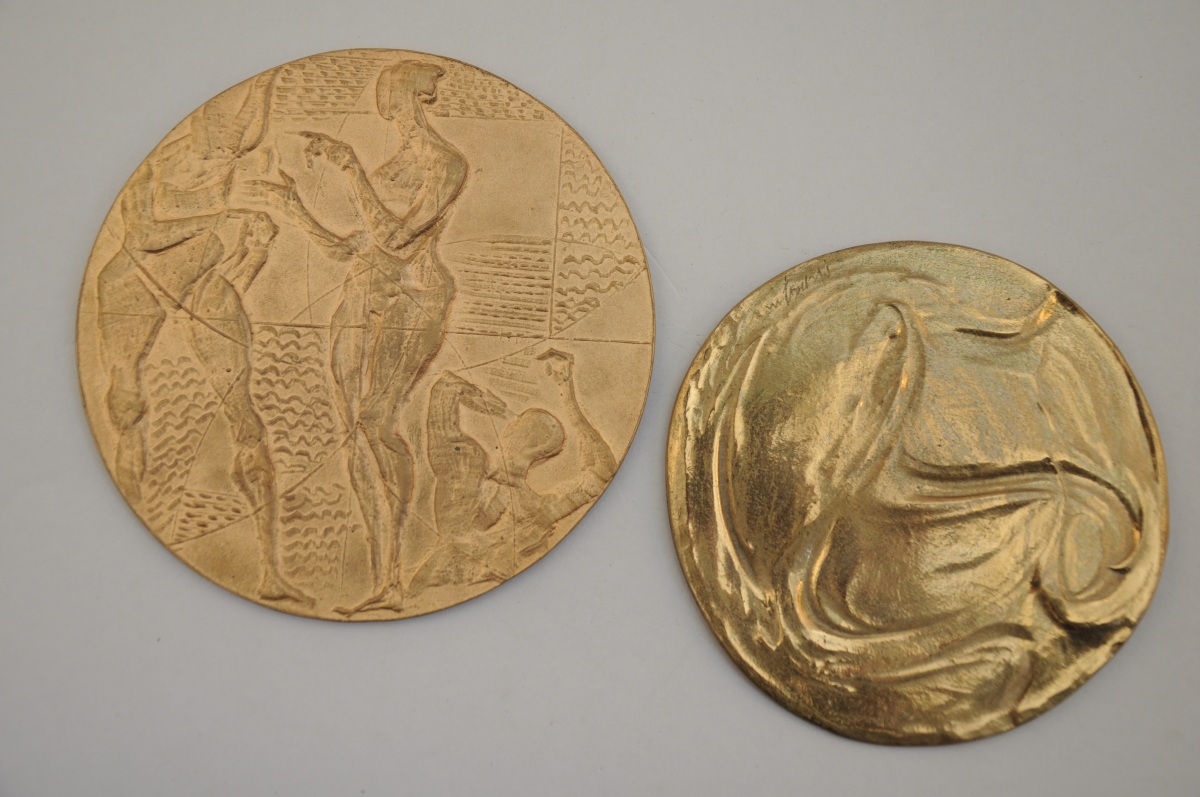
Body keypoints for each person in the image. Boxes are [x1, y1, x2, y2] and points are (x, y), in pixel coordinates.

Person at [251, 60, 467, 614]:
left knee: (376, 421)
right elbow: (349, 248)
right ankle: (380, 576)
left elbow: (397, 241)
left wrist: (351, 171)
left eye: (390, 93)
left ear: (405, 97)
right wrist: (294, 209)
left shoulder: (447, 163)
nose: (386, 105)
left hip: (414, 298)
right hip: (360, 295)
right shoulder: (394, 164)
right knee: (353, 432)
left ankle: (394, 577)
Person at [95, 69, 309, 605]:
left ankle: (270, 571)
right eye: (226, 143)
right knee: (126, 403)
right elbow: (142, 235)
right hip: (135, 283)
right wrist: (224, 219)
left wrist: (254, 246)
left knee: (246, 420)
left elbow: (239, 253)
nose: (229, 155)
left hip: (205, 282)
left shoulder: (235, 164)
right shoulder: (154, 163)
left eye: (239, 148)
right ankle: (122, 540)